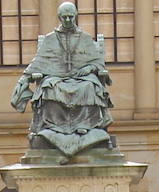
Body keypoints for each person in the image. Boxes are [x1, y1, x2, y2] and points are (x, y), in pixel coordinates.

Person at [10, 1, 115, 158]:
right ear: (59, 17)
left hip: (82, 78)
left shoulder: (85, 38)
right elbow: (39, 61)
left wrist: (90, 68)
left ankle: (85, 124)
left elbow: (98, 63)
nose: (67, 20)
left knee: (89, 86)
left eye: (70, 17)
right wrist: (26, 78)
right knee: (48, 87)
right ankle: (54, 128)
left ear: (75, 17)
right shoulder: (50, 39)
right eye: (64, 17)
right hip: (56, 78)